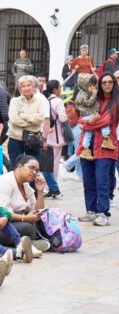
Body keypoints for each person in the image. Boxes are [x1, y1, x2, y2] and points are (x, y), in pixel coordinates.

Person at [75, 72, 119, 227]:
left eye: (110, 82)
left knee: (102, 180)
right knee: (88, 180)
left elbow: (105, 121)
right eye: (104, 82)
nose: (107, 85)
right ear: (100, 85)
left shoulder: (116, 102)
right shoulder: (95, 99)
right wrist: (83, 121)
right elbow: (78, 117)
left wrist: (85, 124)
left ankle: (103, 213)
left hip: (106, 146)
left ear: (114, 84)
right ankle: (91, 211)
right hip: (87, 145)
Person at [0, 156, 50, 253]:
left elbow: (37, 213)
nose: (34, 172)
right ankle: (27, 245)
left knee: (41, 223)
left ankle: (29, 243)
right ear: (19, 166)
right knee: (27, 228)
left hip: (12, 224)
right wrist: (25, 218)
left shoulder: (26, 185)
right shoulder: (4, 182)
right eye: (31, 168)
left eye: (37, 170)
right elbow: (1, 214)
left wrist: (40, 192)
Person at [7, 75, 48, 166]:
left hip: (34, 139)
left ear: (33, 87)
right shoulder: (15, 101)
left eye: (28, 85)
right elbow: (14, 120)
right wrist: (31, 122)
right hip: (16, 139)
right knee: (16, 167)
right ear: (20, 88)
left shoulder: (40, 101)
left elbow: (41, 118)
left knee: (33, 167)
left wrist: (24, 116)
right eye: (23, 86)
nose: (26, 88)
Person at [75, 73, 112, 160]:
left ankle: (85, 149)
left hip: (89, 115)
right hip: (89, 115)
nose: (92, 86)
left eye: (93, 84)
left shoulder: (86, 93)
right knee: (102, 121)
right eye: (90, 84)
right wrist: (94, 94)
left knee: (89, 132)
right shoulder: (83, 94)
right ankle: (106, 138)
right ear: (84, 85)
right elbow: (88, 103)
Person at [43, 80, 68, 199]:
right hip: (57, 136)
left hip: (47, 135)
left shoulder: (46, 100)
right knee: (55, 162)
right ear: (55, 90)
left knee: (48, 162)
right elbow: (63, 118)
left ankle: (50, 186)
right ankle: (53, 186)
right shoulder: (58, 101)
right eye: (59, 88)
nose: (60, 90)